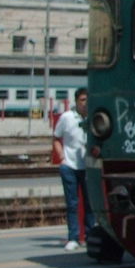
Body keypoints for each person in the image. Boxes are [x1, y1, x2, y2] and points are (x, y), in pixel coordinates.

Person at [54, 89, 90, 251]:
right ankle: (73, 237)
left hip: (88, 166)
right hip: (69, 165)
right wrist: (62, 156)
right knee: (72, 203)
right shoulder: (67, 117)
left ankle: (89, 236)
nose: (85, 103)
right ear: (76, 101)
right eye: (82, 100)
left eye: (88, 99)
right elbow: (56, 138)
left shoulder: (93, 118)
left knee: (90, 203)